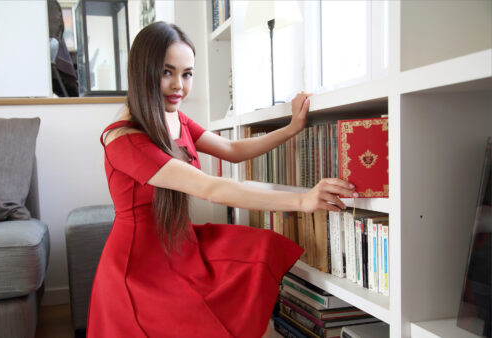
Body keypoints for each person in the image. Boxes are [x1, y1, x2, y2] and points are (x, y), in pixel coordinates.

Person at [89, 21, 357, 338]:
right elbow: (211, 188)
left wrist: (290, 129)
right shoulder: (125, 138)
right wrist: (302, 200)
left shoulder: (173, 116)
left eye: (187, 74)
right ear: (142, 71)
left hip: (178, 243)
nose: (179, 85)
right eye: (167, 72)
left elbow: (230, 149)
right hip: (140, 265)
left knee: (263, 249)